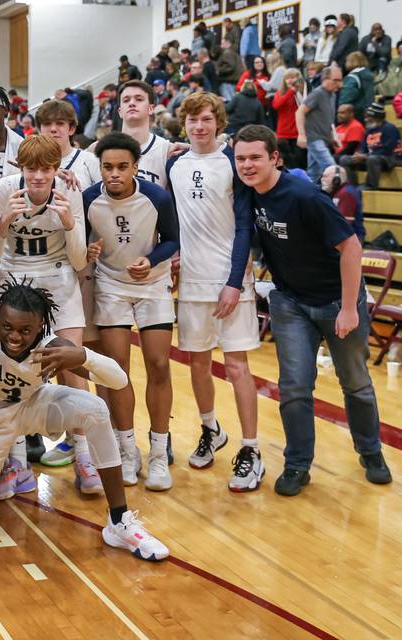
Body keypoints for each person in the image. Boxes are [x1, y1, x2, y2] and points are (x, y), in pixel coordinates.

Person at [0, 279, 170, 561]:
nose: (14, 336)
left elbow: (119, 380)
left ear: (41, 327)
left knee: (94, 409)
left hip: (29, 406)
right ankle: (6, 465)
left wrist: (83, 355)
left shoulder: (51, 348)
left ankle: (119, 520)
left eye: (25, 330)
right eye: (7, 326)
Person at [232, 124, 392, 495]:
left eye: (256, 157)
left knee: (355, 384)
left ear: (275, 158)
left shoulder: (305, 196)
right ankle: (298, 465)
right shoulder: (248, 191)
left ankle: (371, 452)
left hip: (339, 300)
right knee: (294, 388)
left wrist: (350, 309)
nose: (247, 165)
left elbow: (352, 249)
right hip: (290, 302)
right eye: (241, 158)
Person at [0, 135, 101, 486]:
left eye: (46, 169)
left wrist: (69, 224)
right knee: (14, 369)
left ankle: (83, 454)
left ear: (57, 169)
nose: (38, 176)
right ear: (20, 168)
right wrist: (4, 222)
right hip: (14, 280)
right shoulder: (5, 190)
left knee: (71, 362)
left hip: (58, 279)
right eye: (31, 168)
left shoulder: (69, 192)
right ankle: (17, 459)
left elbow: (80, 260)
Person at [167, 92, 263, 492]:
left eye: (206, 119)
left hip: (230, 282)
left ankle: (252, 449)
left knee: (237, 366)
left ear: (218, 122)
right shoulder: (174, 162)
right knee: (199, 364)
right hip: (191, 282)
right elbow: (173, 220)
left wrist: (234, 280)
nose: (199, 126)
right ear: (183, 123)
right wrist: (172, 253)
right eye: (192, 120)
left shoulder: (231, 160)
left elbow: (245, 226)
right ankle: (211, 429)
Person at [84, 132, 179, 490]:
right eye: (107, 167)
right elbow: (77, 241)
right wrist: (87, 252)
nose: (115, 174)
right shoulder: (88, 200)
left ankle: (158, 454)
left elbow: (172, 238)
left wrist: (151, 259)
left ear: (136, 167)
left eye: (123, 167)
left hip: (152, 284)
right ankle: (127, 452)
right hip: (110, 285)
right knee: (117, 371)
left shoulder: (156, 196)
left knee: (158, 364)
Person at [36, 100, 101, 191]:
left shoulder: (90, 160)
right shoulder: (30, 164)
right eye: (47, 123)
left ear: (71, 129)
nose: (53, 129)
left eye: (60, 123)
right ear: (39, 130)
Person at [339, 102, 401, 189]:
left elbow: (387, 150)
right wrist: (358, 155)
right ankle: (351, 186)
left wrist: (366, 156)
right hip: (371, 158)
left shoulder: (390, 129)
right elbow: (363, 148)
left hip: (390, 159)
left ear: (377, 118)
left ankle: (371, 185)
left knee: (373, 159)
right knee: (345, 159)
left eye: (369, 117)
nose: (366, 119)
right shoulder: (369, 130)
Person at [297, 65, 342, 182]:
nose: (339, 84)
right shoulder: (318, 93)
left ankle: (309, 196)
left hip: (323, 139)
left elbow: (326, 118)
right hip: (314, 139)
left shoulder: (332, 95)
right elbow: (299, 112)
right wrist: (301, 134)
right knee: (332, 169)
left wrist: (332, 137)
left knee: (313, 173)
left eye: (340, 80)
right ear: (324, 79)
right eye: (335, 80)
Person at [321, 165, 366, 242]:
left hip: (349, 242)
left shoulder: (346, 193)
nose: (322, 180)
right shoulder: (338, 192)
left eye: (325, 176)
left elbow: (343, 224)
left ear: (337, 179)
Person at [272, 69, 306, 169]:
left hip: (298, 133)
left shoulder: (302, 93)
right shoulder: (280, 93)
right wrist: (291, 92)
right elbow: (276, 105)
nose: (290, 80)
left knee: (299, 161)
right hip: (283, 133)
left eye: (292, 77)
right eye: (287, 78)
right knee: (285, 162)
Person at [339, 52, 374, 121]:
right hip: (366, 112)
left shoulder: (352, 77)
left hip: (353, 114)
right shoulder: (368, 75)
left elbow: (346, 97)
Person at [217, 38, 244, 102]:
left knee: (228, 102)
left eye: (222, 44)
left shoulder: (227, 52)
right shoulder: (234, 52)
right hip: (233, 81)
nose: (221, 46)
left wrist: (219, 71)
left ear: (228, 43)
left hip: (228, 82)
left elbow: (230, 66)